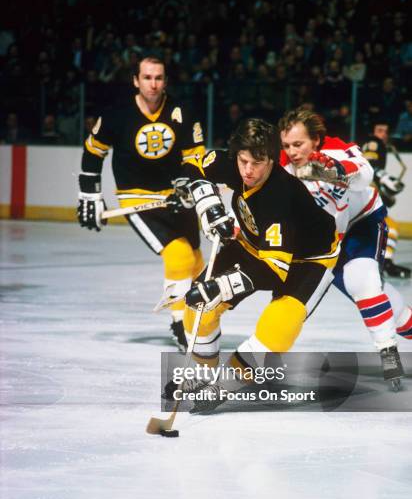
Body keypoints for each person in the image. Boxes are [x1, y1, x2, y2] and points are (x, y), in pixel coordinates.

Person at [165, 118, 340, 408]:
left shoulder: (280, 195)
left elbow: (272, 272)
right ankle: (200, 376)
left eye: (257, 163)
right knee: (197, 308)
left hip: (308, 260)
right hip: (253, 243)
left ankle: (221, 386)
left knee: (278, 328)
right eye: (243, 161)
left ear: (272, 159)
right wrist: (208, 205)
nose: (248, 171)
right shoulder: (237, 163)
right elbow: (194, 164)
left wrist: (222, 286)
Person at [77, 55, 206, 350]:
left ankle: (197, 319)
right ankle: (180, 324)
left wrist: (187, 186)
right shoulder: (117, 114)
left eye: (158, 78)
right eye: (147, 77)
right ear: (136, 80)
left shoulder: (181, 111)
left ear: (165, 81)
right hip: (138, 199)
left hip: (176, 197)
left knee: (197, 262)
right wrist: (90, 194)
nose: (153, 84)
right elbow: (92, 152)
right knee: (179, 257)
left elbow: (195, 156)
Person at [278, 108, 407, 388]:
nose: (291, 152)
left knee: (363, 284)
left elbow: (365, 174)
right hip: (328, 239)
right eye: (286, 145)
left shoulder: (337, 150)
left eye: (298, 144)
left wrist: (334, 171)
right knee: (384, 303)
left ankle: (387, 351)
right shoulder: (283, 169)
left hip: (363, 222)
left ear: (315, 139)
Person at [361, 120, 410, 279]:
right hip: (363, 199)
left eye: (385, 131)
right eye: (379, 130)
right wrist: (385, 177)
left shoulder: (378, 144)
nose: (383, 134)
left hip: (364, 198)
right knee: (391, 227)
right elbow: (370, 164)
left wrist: (384, 194)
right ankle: (385, 263)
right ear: (372, 132)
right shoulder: (374, 142)